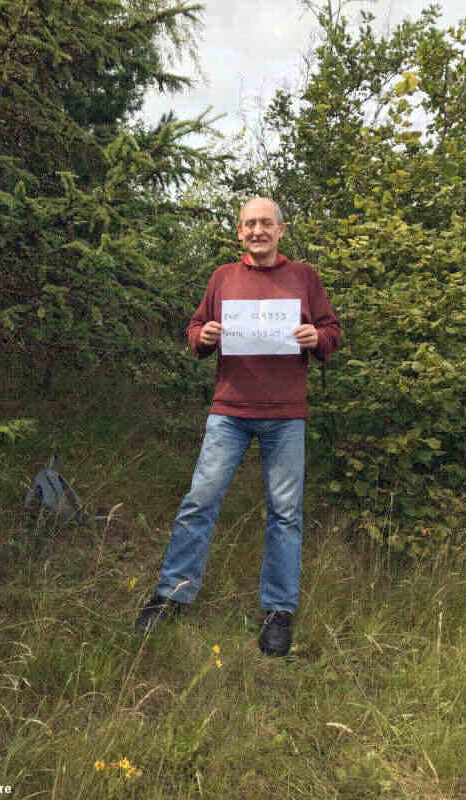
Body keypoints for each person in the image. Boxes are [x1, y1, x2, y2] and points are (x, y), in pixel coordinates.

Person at [136, 197, 341, 656]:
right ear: (239, 232)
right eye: (250, 224)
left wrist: (316, 337)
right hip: (229, 412)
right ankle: (172, 595)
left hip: (285, 414)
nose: (257, 230)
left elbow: (331, 332)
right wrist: (203, 335)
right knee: (199, 501)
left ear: (281, 231)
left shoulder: (304, 277)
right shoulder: (223, 277)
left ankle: (278, 611)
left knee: (285, 514)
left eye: (266, 223)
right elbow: (195, 330)